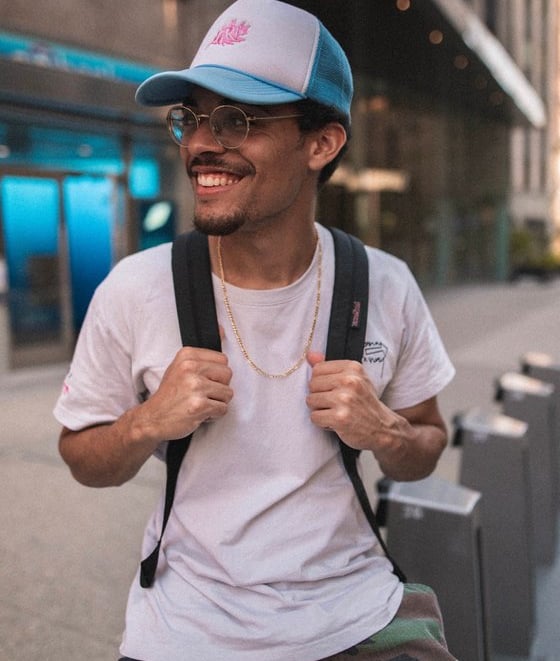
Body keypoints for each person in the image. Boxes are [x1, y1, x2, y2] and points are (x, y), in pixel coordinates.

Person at [54, 1, 456, 659]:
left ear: (321, 143)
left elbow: (428, 440)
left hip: (355, 614)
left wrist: (383, 430)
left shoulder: (385, 284)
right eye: (191, 118)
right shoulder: (134, 287)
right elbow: (80, 455)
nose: (202, 143)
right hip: (185, 628)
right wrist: (146, 421)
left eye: (239, 119)